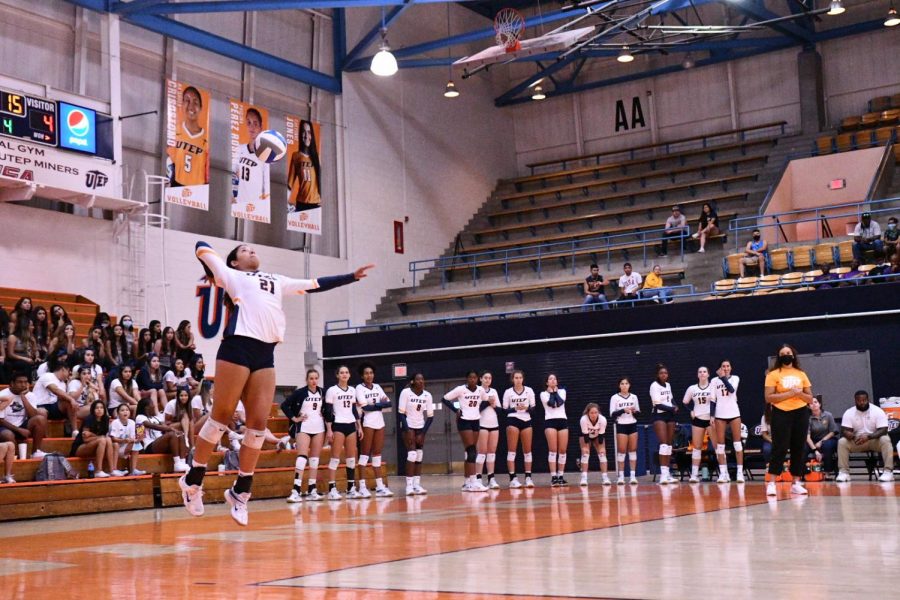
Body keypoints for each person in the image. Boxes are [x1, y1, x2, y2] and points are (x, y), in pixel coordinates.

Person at [181, 241, 370, 524]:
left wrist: (350, 277)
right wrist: (212, 265)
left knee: (258, 426)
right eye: (243, 251)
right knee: (220, 416)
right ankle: (193, 480)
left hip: (265, 353)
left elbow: (314, 284)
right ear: (233, 262)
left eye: (251, 249)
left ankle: (240, 491)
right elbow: (199, 245)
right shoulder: (231, 276)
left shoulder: (276, 280)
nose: (251, 251)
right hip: (237, 347)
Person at [764, 344, 813, 496]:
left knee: (799, 447)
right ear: (779, 357)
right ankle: (772, 482)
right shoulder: (773, 374)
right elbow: (769, 397)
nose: (786, 355)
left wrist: (798, 395)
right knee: (780, 447)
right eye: (783, 353)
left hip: (801, 413)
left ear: (793, 355)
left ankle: (796, 482)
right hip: (781, 413)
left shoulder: (801, 374)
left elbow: (810, 398)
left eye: (788, 352)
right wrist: (790, 393)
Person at [282, 369, 326, 502]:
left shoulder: (323, 392)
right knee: (302, 458)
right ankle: (296, 490)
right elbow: (285, 405)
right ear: (307, 380)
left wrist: (325, 414)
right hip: (304, 427)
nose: (313, 381)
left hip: (319, 427)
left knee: (314, 459)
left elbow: (328, 408)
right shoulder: (300, 392)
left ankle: (312, 489)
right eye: (311, 378)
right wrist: (294, 418)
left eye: (315, 378)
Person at [444, 370, 488, 492]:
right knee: (471, 451)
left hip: (476, 421)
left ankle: (467, 482)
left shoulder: (480, 390)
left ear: (477, 379)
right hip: (464, 421)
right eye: (470, 378)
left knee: (470, 452)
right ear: (467, 379)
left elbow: (486, 400)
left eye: (474, 378)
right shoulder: (460, 389)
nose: (472, 380)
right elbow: (445, 399)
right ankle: (474, 481)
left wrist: (479, 409)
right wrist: (456, 410)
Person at [835, 391, 894, 482]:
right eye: (859, 400)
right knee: (842, 442)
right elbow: (844, 430)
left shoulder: (877, 411)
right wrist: (853, 436)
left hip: (874, 440)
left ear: (868, 400)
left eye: (864, 400)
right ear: (855, 401)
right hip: (857, 441)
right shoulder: (849, 412)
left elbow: (884, 430)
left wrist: (869, 437)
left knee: (885, 439)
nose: (862, 402)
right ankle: (844, 472)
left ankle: (888, 471)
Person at [324, 365, 363, 500]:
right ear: (337, 375)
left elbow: (353, 410)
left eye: (346, 372)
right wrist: (329, 429)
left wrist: (359, 426)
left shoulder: (352, 390)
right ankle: (332, 488)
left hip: (351, 425)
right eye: (341, 373)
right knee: (335, 458)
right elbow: (328, 411)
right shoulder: (332, 390)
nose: (344, 375)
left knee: (351, 458)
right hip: (338, 425)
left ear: (349, 375)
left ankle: (351, 487)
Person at [355, 363, 394, 498]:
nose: (369, 375)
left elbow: (389, 403)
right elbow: (365, 408)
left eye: (371, 373)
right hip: (367, 423)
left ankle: (380, 486)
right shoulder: (359, 388)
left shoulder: (377, 387)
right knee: (365, 454)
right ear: (362, 375)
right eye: (366, 373)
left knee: (377, 454)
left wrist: (375, 405)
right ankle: (362, 486)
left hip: (379, 423)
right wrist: (380, 404)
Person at [398, 373, 434, 496]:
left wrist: (423, 433)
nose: (421, 381)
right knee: (412, 454)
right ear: (413, 381)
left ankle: (417, 484)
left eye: (422, 379)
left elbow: (430, 416)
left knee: (419, 455)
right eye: (418, 379)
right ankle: (408, 486)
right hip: (408, 425)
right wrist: (407, 430)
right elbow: (401, 413)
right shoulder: (406, 392)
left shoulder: (427, 395)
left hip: (420, 426)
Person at [167, 85, 209, 188]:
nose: (191, 105)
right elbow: (169, 162)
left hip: (197, 192)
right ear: (182, 104)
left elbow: (207, 174)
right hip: (176, 186)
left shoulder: (207, 140)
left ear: (201, 107)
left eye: (195, 102)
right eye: (187, 100)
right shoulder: (174, 131)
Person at [0, 372, 49, 459]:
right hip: (5, 426)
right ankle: (15, 455)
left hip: (22, 425)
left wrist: (23, 396)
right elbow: (1, 420)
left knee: (40, 419)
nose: (23, 385)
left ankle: (36, 452)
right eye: (20, 382)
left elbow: (33, 415)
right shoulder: (2, 395)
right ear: (12, 383)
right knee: (8, 435)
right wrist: (18, 430)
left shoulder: (30, 395)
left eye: (25, 382)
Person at [711, 360, 744, 483]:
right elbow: (713, 399)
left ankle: (740, 473)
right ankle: (723, 473)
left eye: (727, 366)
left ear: (731, 367)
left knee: (737, 444)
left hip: (734, 413)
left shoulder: (735, 378)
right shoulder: (714, 381)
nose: (725, 368)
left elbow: (731, 390)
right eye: (723, 366)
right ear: (720, 368)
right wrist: (711, 416)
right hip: (720, 414)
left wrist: (723, 377)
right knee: (720, 446)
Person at [72, 400, 124, 478]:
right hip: (80, 447)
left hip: (97, 445)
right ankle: (98, 470)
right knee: (103, 440)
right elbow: (86, 439)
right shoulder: (88, 419)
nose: (99, 409)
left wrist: (93, 435)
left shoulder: (105, 419)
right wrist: (99, 437)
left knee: (111, 442)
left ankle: (112, 470)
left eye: (101, 408)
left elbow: (103, 437)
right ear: (93, 410)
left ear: (104, 409)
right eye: (97, 408)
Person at [135, 398, 190, 473]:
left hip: (160, 443)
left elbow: (164, 427)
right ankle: (177, 463)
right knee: (172, 434)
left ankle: (183, 463)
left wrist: (171, 429)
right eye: (152, 404)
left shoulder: (157, 418)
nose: (154, 406)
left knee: (179, 434)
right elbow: (151, 426)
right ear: (146, 407)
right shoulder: (140, 417)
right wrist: (170, 429)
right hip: (149, 446)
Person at [502, 369, 536, 489]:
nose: (518, 380)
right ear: (512, 379)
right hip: (513, 419)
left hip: (526, 419)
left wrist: (526, 408)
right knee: (512, 451)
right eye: (516, 378)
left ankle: (528, 477)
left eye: (520, 378)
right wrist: (515, 409)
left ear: (523, 379)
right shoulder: (508, 392)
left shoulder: (529, 390)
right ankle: (513, 478)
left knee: (527, 451)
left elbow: (533, 408)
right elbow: (504, 409)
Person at [682, 366, 714, 483]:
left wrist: (714, 414)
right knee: (697, 447)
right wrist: (691, 410)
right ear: (697, 375)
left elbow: (717, 401)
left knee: (718, 446)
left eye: (704, 371)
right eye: (700, 372)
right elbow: (685, 402)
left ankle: (723, 473)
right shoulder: (692, 388)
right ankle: (695, 475)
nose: (702, 373)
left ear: (708, 374)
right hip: (698, 419)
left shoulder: (713, 386)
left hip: (711, 419)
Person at [33, 361, 80, 438]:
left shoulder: (63, 383)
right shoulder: (47, 376)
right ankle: (44, 438)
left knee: (68, 403)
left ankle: (75, 431)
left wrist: (68, 386)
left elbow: (62, 397)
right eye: (68, 371)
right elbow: (54, 389)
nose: (69, 374)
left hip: (54, 406)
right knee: (42, 412)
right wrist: (71, 399)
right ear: (63, 369)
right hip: (40, 405)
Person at [650, 364, 678, 484]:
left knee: (669, 445)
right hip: (659, 415)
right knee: (663, 444)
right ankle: (662, 475)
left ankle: (667, 474)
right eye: (661, 373)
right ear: (658, 374)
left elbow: (670, 399)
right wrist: (672, 409)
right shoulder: (654, 386)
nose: (664, 375)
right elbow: (657, 404)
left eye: (665, 373)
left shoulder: (668, 385)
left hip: (669, 416)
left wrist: (675, 405)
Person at [540, 373, 569, 487]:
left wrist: (555, 392)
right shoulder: (543, 394)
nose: (552, 380)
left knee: (562, 450)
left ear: (557, 382)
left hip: (562, 420)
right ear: (547, 382)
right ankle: (553, 477)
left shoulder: (562, 392)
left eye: (554, 379)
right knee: (553, 450)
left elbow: (560, 402)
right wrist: (552, 392)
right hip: (550, 421)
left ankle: (561, 475)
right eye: (550, 379)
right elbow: (552, 404)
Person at [474, 371, 502, 489]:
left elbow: (500, 410)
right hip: (482, 424)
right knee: (481, 452)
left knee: (491, 453)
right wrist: (487, 402)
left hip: (494, 424)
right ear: (480, 379)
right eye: (485, 378)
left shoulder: (494, 391)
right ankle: (478, 478)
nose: (487, 380)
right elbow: (475, 409)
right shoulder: (477, 391)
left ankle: (491, 478)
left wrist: (494, 405)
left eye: (489, 378)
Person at [610, 377, 640, 485]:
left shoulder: (634, 397)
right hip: (621, 425)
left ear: (629, 385)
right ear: (619, 386)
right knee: (622, 451)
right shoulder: (614, 398)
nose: (624, 385)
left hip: (632, 424)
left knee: (632, 450)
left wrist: (634, 411)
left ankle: (632, 476)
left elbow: (638, 412)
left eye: (626, 383)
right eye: (622, 383)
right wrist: (623, 410)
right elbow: (612, 414)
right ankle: (621, 477)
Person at [288, 120, 322, 212]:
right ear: (300, 134)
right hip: (301, 203)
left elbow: (323, 181)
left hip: (316, 204)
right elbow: (289, 185)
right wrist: (286, 204)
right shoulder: (296, 156)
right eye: (304, 132)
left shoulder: (317, 157)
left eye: (309, 132)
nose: (306, 136)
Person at [806, 396, 839, 477]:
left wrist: (821, 442)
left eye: (815, 402)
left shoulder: (828, 415)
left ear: (819, 404)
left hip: (828, 439)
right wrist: (815, 451)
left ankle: (827, 472)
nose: (813, 404)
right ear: (808, 407)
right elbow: (807, 437)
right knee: (802, 447)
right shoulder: (807, 418)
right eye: (811, 403)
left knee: (827, 446)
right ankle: (804, 473)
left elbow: (833, 431)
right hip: (812, 441)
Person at [109, 404, 146, 476]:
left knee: (136, 444)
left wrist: (139, 438)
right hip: (115, 449)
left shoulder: (132, 422)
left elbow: (133, 438)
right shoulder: (115, 422)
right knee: (116, 444)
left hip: (126, 448)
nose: (125, 412)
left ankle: (133, 470)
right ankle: (114, 469)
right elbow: (113, 439)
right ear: (118, 413)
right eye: (122, 410)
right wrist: (123, 441)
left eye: (127, 410)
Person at [578, 403, 609, 486]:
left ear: (598, 412)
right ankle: (584, 477)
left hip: (598, 435)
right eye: (592, 413)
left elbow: (601, 437)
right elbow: (586, 437)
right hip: (585, 435)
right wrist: (586, 449)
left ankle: (605, 477)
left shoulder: (602, 420)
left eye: (596, 412)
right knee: (585, 453)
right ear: (588, 413)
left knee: (602, 453)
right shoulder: (583, 420)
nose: (594, 415)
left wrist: (601, 449)